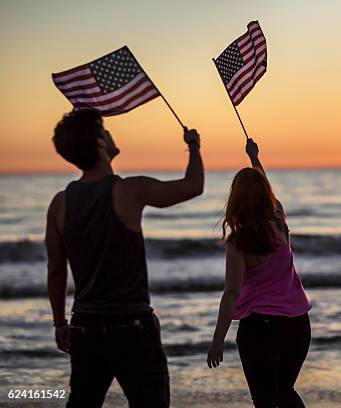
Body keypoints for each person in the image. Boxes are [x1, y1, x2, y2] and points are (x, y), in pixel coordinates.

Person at [46, 109, 204, 407]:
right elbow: (192, 186)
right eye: (103, 130)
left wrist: (59, 323)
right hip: (132, 327)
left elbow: (56, 270)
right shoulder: (129, 190)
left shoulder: (59, 204)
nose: (109, 134)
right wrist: (193, 146)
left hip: (84, 327)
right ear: (98, 143)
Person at [207, 138, 311, 408]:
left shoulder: (239, 243)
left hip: (261, 329)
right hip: (298, 325)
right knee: (285, 392)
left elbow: (231, 294)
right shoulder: (279, 224)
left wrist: (218, 340)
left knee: (266, 400)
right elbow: (270, 196)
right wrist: (254, 157)